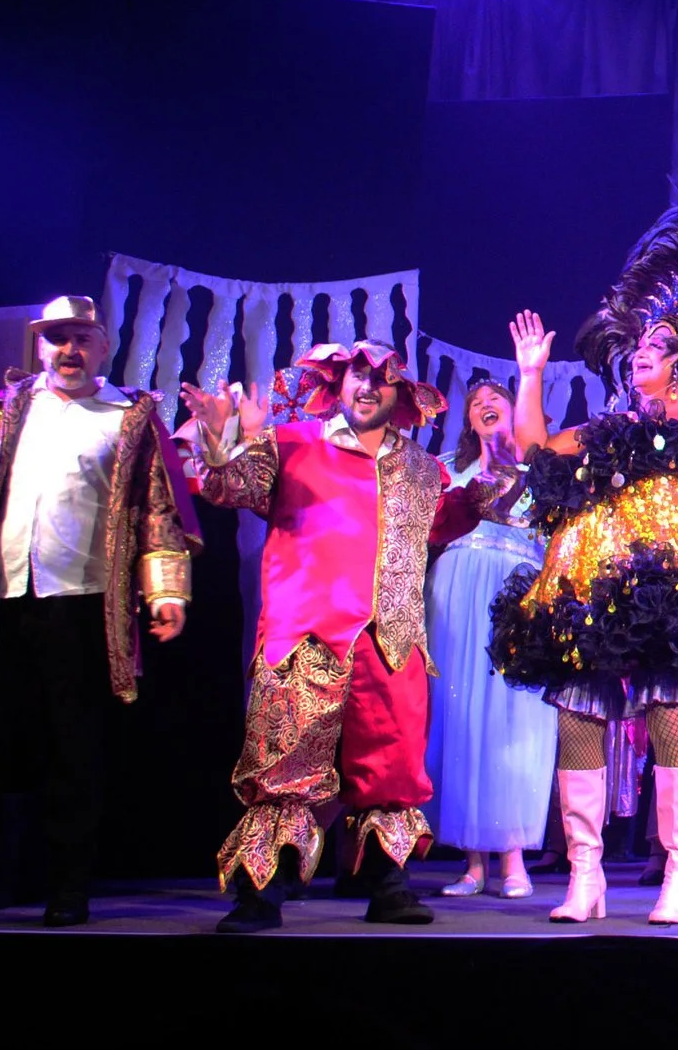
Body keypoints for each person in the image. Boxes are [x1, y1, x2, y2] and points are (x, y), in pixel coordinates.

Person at [488, 183, 678, 926]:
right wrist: (528, 374)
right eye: (636, 351)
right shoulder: (609, 425)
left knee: (671, 722)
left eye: (654, 349)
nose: (637, 358)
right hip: (598, 587)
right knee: (579, 718)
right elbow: (532, 450)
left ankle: (677, 875)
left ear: (677, 362)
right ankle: (584, 877)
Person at [0, 295, 198, 928]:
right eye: (56, 339)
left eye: (80, 338)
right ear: (39, 346)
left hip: (80, 609)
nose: (68, 350)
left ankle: (68, 889)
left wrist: (166, 591)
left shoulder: (129, 417)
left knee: (73, 755)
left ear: (102, 345)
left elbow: (159, 512)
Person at [183, 340, 479, 933]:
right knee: (284, 766)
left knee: (391, 771)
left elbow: (450, 520)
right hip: (306, 634)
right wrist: (221, 444)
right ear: (336, 387)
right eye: (354, 378)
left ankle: (388, 885)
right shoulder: (291, 446)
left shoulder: (423, 469)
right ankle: (262, 892)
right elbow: (225, 487)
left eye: (380, 380)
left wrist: (493, 485)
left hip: (390, 638)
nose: (366, 388)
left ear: (401, 396)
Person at [425, 378, 557, 899]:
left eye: (495, 400)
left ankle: (514, 858)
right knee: (460, 718)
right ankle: (473, 864)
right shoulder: (447, 470)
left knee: (511, 720)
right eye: (476, 403)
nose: (484, 406)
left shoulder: (537, 471)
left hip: (516, 591)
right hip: (457, 592)